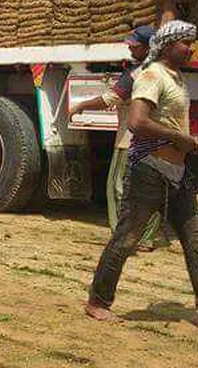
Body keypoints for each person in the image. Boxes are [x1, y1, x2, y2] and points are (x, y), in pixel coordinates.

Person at [86, 21, 198, 330]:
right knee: (127, 238)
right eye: (186, 42)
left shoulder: (176, 78)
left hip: (178, 172)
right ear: (168, 45)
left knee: (196, 239)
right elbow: (136, 122)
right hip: (150, 169)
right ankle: (97, 301)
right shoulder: (151, 76)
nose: (190, 48)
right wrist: (179, 139)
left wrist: (188, 141)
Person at [71, 25, 170, 250]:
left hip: (131, 141)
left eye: (134, 46)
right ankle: (147, 236)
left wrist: (82, 105)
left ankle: (125, 236)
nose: (129, 48)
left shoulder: (137, 73)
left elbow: (111, 98)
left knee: (118, 186)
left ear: (147, 47)